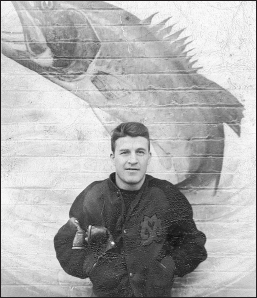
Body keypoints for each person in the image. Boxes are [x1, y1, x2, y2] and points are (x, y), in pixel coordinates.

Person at [54, 122, 207, 297]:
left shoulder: (166, 195)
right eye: (125, 152)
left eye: (140, 152)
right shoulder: (93, 197)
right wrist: (91, 266)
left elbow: (193, 244)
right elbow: (67, 243)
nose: (133, 160)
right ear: (113, 157)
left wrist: (167, 267)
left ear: (149, 156)